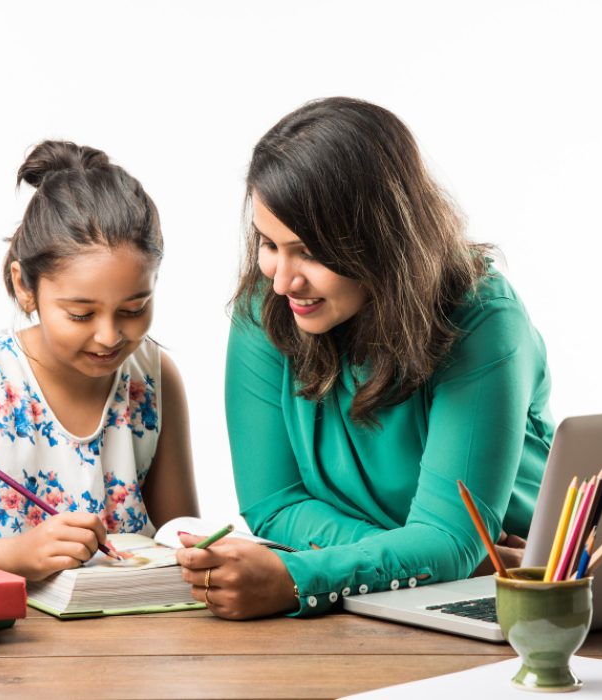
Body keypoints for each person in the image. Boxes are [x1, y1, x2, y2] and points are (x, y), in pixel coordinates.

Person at [177, 97, 553, 619]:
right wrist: (428, 557)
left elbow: (451, 539)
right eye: (269, 243)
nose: (282, 279)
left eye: (309, 251)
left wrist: (301, 579)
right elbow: (274, 503)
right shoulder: (266, 308)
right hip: (423, 587)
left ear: (381, 240)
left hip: (519, 592)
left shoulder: (484, 319)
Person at [0, 141, 198, 580]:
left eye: (134, 309)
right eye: (80, 314)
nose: (109, 336)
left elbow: (178, 536)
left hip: (134, 630)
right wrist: (19, 556)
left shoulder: (155, 377)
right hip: (11, 638)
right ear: (25, 287)